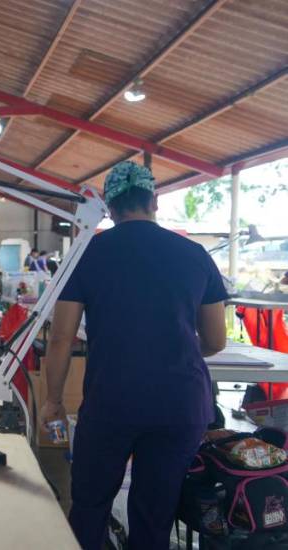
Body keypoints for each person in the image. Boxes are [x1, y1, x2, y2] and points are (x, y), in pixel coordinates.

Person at [38, 161, 227, 550]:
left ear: (109, 208)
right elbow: (215, 339)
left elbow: (61, 339)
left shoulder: (87, 254)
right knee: (154, 515)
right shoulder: (195, 254)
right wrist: (175, 346)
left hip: (113, 402)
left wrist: (53, 401)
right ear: (154, 201)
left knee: (90, 506)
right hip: (180, 404)